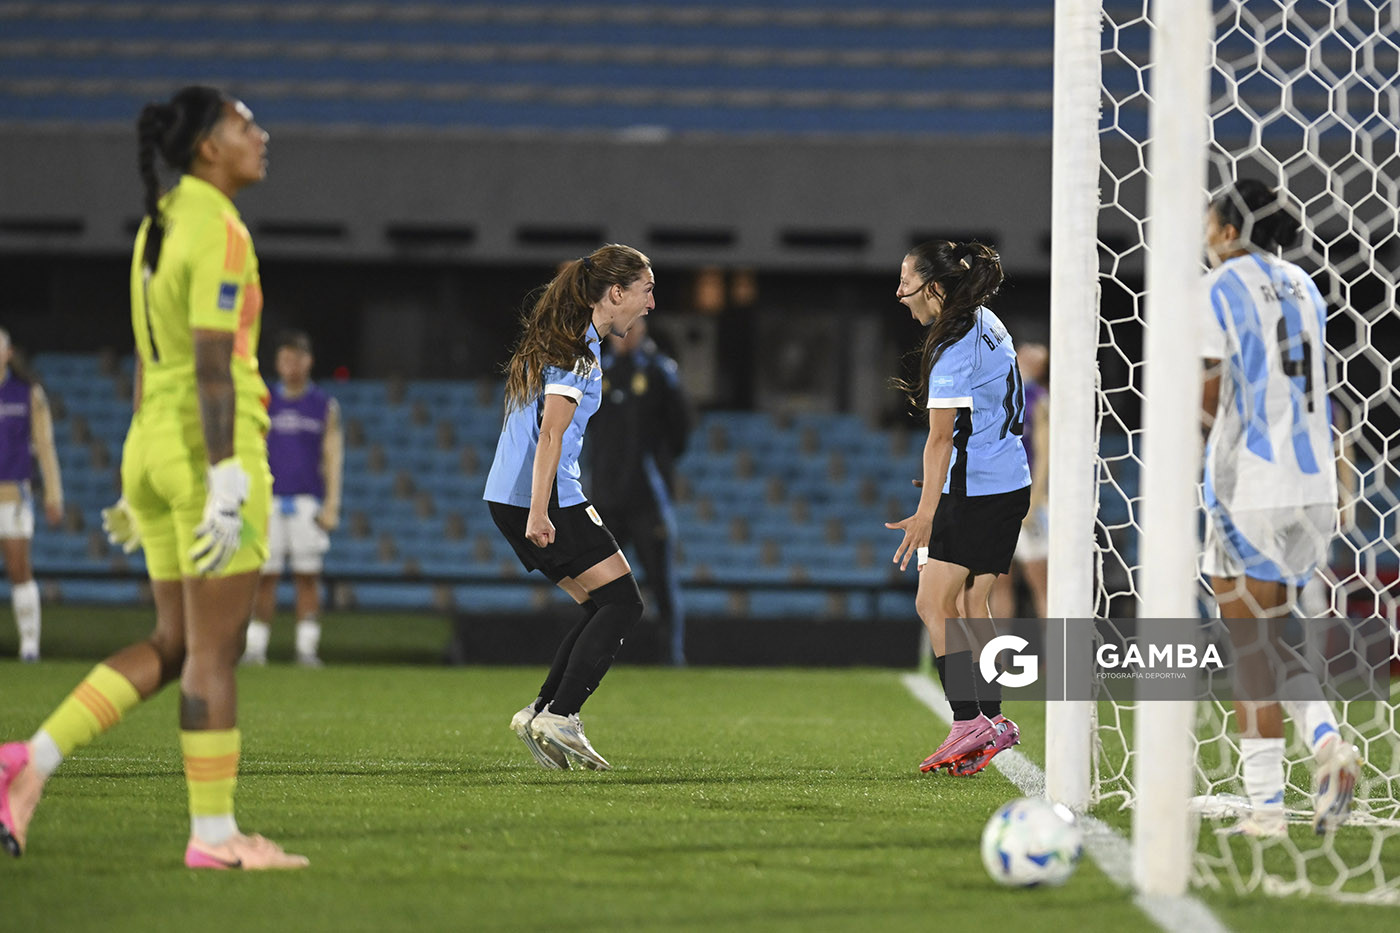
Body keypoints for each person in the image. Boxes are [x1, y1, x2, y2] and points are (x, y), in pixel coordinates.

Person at [0, 86, 306, 869]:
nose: (260, 135)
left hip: (153, 443)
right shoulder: (222, 230)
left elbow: (151, 355)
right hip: (212, 448)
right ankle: (214, 836)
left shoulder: (155, 226)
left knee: (174, 643)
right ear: (209, 147)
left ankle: (29, 760)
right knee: (214, 652)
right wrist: (228, 477)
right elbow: (212, 362)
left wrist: (143, 474)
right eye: (244, 124)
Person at [1199, 179, 1360, 837]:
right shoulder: (1304, 284)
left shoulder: (1217, 288)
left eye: (1212, 222)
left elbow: (1209, 392)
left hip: (1252, 485)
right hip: (1315, 480)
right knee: (1271, 631)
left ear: (1232, 230)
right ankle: (1327, 745)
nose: (1206, 234)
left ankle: (1266, 807)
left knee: (1248, 646)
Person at [485, 244, 654, 772]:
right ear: (616, 293)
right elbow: (550, 432)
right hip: (545, 498)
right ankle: (561, 713)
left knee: (601, 604)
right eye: (647, 291)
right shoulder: (577, 353)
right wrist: (541, 511)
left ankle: (542, 709)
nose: (651, 304)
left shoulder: (561, 342)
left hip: (509, 496)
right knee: (624, 603)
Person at [884, 240, 1031, 777]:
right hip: (1008, 481)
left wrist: (927, 510)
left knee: (933, 602)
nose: (900, 294)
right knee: (972, 602)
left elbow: (941, 438)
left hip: (977, 489)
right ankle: (993, 720)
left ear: (936, 288)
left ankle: (969, 720)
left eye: (907, 282)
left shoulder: (953, 347)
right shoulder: (987, 319)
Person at [589, 318, 690, 666]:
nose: (625, 334)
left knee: (661, 583)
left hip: (647, 499)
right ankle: (593, 660)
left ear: (643, 329)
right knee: (599, 588)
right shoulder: (596, 371)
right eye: (619, 327)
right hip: (605, 499)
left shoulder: (660, 372)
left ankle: (671, 659)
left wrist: (655, 463)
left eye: (632, 326)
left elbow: (681, 431)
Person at [241, 330, 343, 667]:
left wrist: (331, 504)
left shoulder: (323, 405)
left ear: (308, 361)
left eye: (296, 358)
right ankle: (255, 649)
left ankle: (306, 649)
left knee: (307, 576)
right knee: (264, 577)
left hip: (306, 502)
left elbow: (332, 456)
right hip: (268, 500)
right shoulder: (264, 400)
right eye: (284, 358)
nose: (290, 365)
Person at [0, 329, 64, 661]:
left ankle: (29, 645)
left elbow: (46, 447)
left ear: (8, 353)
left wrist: (54, 495)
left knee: (19, 569)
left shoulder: (27, 394)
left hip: (13, 497)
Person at [989, 342, 1049, 621]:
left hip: (1029, 503)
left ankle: (1057, 659)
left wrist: (1033, 501)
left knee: (1040, 583)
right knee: (998, 583)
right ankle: (999, 660)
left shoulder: (1040, 400)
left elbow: (1045, 454)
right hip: (1000, 499)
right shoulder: (1000, 395)